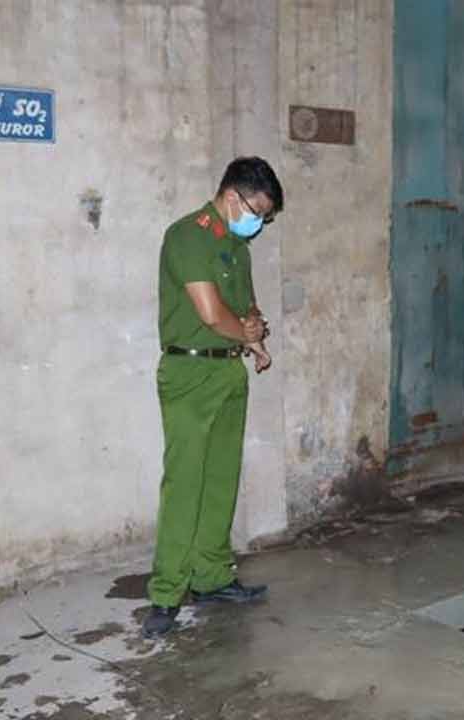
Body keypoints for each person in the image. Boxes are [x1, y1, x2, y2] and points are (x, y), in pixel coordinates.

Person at [142, 157, 283, 638]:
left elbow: (245, 309)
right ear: (232, 196)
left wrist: (256, 336)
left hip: (228, 373)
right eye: (257, 211)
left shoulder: (236, 248)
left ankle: (212, 578)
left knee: (222, 477)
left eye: (265, 217)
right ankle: (166, 594)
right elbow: (209, 312)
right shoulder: (188, 236)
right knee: (185, 482)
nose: (259, 222)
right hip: (189, 371)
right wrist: (241, 329)